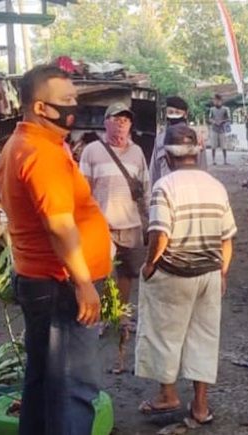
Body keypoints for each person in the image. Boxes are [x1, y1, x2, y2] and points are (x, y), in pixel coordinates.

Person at [0, 65, 111, 435]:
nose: (73, 106)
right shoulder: (41, 154)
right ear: (41, 108)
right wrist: (83, 283)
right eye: (66, 100)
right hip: (60, 284)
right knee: (73, 387)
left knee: (44, 382)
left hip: (41, 280)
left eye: (75, 98)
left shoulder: (26, 143)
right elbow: (60, 225)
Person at [135, 123, 236, 424]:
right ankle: (201, 406)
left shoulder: (164, 186)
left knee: (165, 333)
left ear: (166, 155)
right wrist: (223, 272)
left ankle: (168, 395)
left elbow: (160, 234)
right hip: (209, 273)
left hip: (173, 273)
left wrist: (150, 263)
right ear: (196, 152)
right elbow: (227, 238)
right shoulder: (215, 185)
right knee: (204, 337)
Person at [79, 102, 151, 341]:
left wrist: (149, 217)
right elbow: (83, 189)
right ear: (105, 122)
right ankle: (100, 316)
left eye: (125, 120)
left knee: (127, 274)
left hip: (130, 224)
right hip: (101, 225)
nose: (121, 124)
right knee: (101, 274)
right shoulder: (92, 150)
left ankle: (120, 315)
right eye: (116, 119)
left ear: (130, 125)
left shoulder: (137, 152)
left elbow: (145, 188)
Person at [150, 96, 207, 185]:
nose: (174, 116)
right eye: (171, 112)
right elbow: (154, 171)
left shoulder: (197, 138)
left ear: (185, 114)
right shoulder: (160, 139)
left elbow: (203, 168)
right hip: (166, 190)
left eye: (177, 112)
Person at [208, 93, 231, 165]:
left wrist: (222, 121)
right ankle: (213, 160)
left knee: (224, 146)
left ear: (220, 101)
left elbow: (228, 119)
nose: (215, 102)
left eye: (217, 100)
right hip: (214, 129)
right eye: (214, 100)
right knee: (213, 146)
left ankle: (225, 160)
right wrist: (214, 122)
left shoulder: (225, 109)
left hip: (222, 129)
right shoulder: (212, 109)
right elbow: (209, 119)